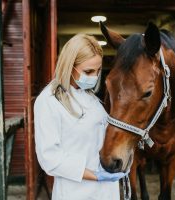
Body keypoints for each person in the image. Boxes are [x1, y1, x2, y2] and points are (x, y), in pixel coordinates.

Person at [34, 34, 127, 200]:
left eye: (98, 71)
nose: (94, 76)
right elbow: (49, 158)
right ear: (69, 66)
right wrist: (95, 176)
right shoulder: (49, 101)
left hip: (106, 191)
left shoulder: (91, 98)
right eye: (88, 71)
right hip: (76, 192)